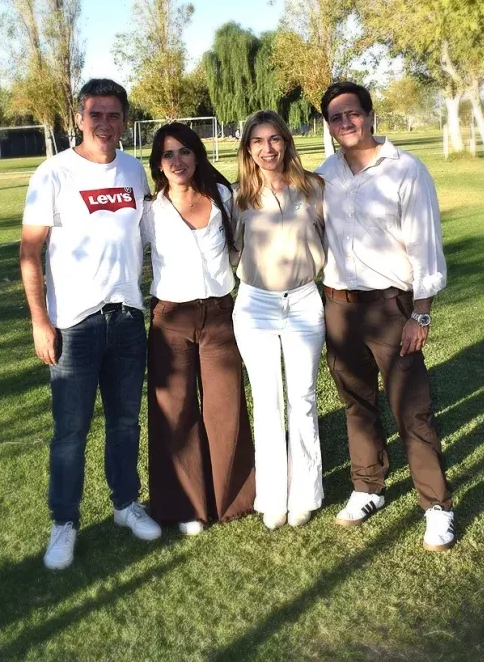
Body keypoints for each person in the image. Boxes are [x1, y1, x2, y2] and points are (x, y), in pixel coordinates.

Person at [20, 78, 161, 571]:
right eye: (95, 114)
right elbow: (29, 252)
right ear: (79, 118)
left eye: (113, 115)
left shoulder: (133, 170)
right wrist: (40, 321)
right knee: (70, 432)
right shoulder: (53, 172)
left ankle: (125, 504)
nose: (104, 123)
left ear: (124, 120)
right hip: (73, 325)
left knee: (125, 422)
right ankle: (64, 521)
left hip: (127, 318)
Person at [317, 81, 454, 552]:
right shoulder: (325, 174)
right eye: (336, 117)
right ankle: (368, 487)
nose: (346, 123)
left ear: (370, 115)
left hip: (392, 308)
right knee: (356, 404)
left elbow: (426, 246)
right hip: (339, 307)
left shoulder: (406, 170)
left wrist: (421, 315)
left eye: (352, 113)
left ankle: (436, 506)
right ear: (328, 126)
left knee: (411, 409)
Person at [141, 123, 256, 536]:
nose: (177, 161)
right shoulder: (149, 211)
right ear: (158, 164)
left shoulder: (222, 196)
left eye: (185, 151)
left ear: (197, 155)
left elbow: (240, 247)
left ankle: (232, 499)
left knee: (225, 408)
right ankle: (186, 505)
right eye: (168, 154)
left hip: (219, 316)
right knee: (175, 411)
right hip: (171, 318)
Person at [232, 110, 326, 530]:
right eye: (257, 141)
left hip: (304, 302)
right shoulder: (239, 197)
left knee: (302, 398)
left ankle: (305, 493)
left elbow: (330, 237)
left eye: (274, 139)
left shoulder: (313, 188)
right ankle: (272, 498)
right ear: (248, 149)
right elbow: (231, 248)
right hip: (255, 306)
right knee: (267, 402)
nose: (267, 149)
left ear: (286, 142)